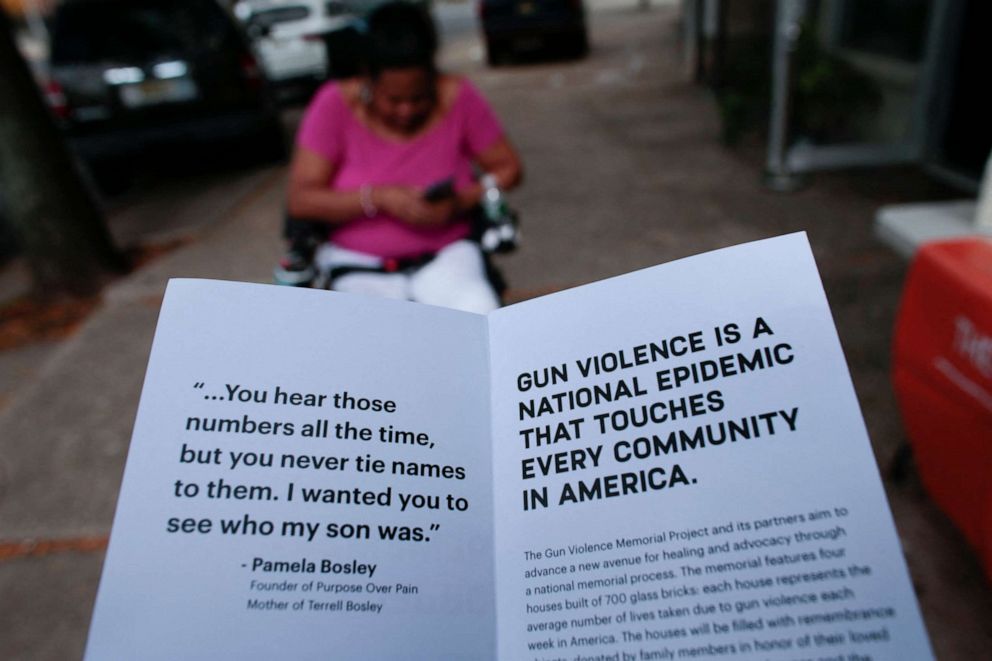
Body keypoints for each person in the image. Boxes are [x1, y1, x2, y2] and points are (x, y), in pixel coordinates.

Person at [285, 1, 522, 313]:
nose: (406, 111)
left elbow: (508, 168)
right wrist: (379, 198)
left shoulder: (457, 96)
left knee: (479, 316)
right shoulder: (333, 105)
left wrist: (461, 202)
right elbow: (301, 199)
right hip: (360, 265)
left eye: (418, 98)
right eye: (392, 100)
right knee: (371, 342)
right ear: (368, 79)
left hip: (448, 255)